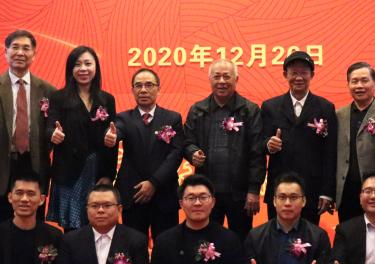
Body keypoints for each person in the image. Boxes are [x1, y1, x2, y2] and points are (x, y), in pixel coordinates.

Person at [0, 30, 56, 227]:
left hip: (34, 164)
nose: (20, 52)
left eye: (26, 48)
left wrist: (55, 134)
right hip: (0, 165)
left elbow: (51, 127)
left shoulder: (48, 90)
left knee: (33, 225)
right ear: (6, 52)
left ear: (34, 54)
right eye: (15, 47)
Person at [182, 59, 264, 240]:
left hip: (240, 193)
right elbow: (186, 141)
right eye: (217, 76)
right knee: (206, 242)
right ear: (210, 79)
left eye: (227, 76)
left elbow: (257, 152)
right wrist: (192, 152)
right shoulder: (197, 110)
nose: (221, 81)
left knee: (241, 241)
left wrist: (253, 190)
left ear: (236, 79)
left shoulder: (249, 110)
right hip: (205, 193)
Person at [260, 51, 337, 225]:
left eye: (304, 73)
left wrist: (327, 191)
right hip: (279, 188)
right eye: (294, 73)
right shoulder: (270, 106)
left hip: (312, 189)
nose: (299, 78)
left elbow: (330, 152)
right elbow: (259, 143)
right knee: (276, 235)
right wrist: (268, 145)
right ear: (285, 75)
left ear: (312, 75)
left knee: (309, 237)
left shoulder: (325, 108)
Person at [46, 46, 117, 232]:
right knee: (72, 230)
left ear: (96, 67)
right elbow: (50, 126)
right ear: (71, 69)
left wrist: (109, 175)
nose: (83, 69)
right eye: (77, 64)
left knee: (100, 225)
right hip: (69, 172)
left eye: (88, 63)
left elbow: (112, 140)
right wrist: (53, 134)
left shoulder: (107, 99)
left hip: (97, 171)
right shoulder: (58, 97)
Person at [107, 67, 184, 239]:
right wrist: (111, 137)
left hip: (164, 194)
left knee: (167, 246)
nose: (143, 90)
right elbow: (116, 131)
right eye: (138, 85)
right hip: (133, 194)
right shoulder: (123, 118)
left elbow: (176, 153)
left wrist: (154, 182)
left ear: (158, 88)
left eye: (149, 85)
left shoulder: (173, 118)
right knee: (134, 246)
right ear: (132, 90)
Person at [334, 62, 375, 221]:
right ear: (348, 85)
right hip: (347, 192)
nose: (359, 86)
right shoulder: (338, 115)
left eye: (364, 80)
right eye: (354, 81)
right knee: (348, 234)